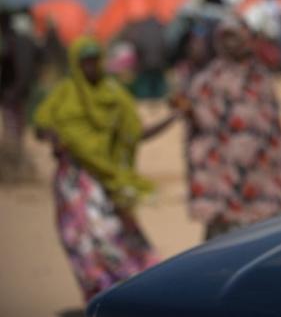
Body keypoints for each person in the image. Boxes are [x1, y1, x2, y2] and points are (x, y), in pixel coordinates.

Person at [34, 36, 177, 301]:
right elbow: (41, 125)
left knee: (113, 236)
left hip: (108, 180)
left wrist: (172, 118)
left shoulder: (114, 94)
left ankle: (131, 293)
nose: (89, 67)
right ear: (75, 64)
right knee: (81, 240)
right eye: (84, 62)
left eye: (93, 60)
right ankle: (101, 295)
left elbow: (135, 132)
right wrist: (53, 137)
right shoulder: (64, 93)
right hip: (74, 182)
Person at [178, 16, 281, 240]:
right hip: (223, 174)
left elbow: (272, 127)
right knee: (223, 241)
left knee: (265, 237)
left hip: (262, 171)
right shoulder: (207, 80)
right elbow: (199, 122)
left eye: (235, 37)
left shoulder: (260, 78)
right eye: (225, 38)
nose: (230, 43)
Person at [0, 9, 39, 182]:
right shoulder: (28, 42)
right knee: (18, 128)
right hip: (21, 92)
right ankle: (16, 165)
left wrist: (11, 91)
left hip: (12, 94)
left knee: (13, 129)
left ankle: (15, 167)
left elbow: (14, 68)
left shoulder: (12, 42)